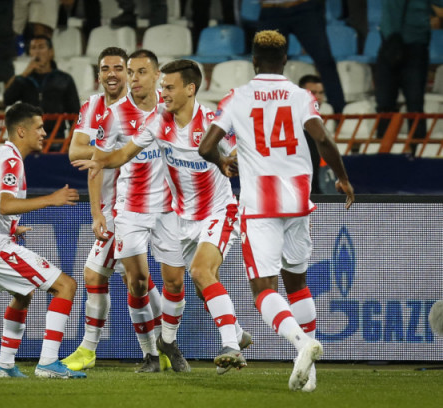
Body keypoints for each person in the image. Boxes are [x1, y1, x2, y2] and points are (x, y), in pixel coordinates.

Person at [72, 59, 254, 374]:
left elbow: (241, 150)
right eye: (163, 87)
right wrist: (100, 161)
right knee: (187, 281)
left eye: (169, 87)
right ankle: (206, 337)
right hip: (180, 216)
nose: (163, 93)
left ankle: (230, 345)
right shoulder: (159, 122)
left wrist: (232, 161)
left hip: (217, 209)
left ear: (190, 89)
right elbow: (123, 154)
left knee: (200, 272)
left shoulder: (212, 121)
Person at [198, 30, 355, 391]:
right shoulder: (301, 96)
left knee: (263, 290)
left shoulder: (236, 98)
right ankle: (310, 375)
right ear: (285, 60)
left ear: (253, 60)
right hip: (298, 201)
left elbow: (206, 147)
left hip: (260, 205)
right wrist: (343, 178)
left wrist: (222, 162)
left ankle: (301, 344)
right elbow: (322, 138)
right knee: (297, 283)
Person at [82, 49, 187, 373]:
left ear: (157, 75)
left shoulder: (172, 109)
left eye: (141, 72)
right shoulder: (114, 115)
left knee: (175, 283)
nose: (134, 78)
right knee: (137, 282)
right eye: (131, 72)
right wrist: (97, 213)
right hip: (130, 209)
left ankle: (169, 342)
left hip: (169, 209)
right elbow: (97, 163)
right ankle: (150, 355)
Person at [62, 47, 166, 371]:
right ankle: (163, 347)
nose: (113, 74)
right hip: (110, 206)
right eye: (106, 68)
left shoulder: (148, 107)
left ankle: (90, 350)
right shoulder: (95, 107)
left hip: (132, 206)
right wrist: (96, 211)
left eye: (120, 68)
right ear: (98, 74)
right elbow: (76, 153)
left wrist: (116, 151)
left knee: (100, 275)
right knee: (136, 280)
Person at [0, 102, 86, 379]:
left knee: (23, 294)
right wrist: (51, 199)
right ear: (21, 131)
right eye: (39, 127)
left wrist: (10, 228)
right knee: (66, 286)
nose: (44, 133)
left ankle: (5, 366)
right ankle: (48, 363)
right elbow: (5, 204)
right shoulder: (12, 161)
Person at [375, 0, 443, 155]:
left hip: (415, 46)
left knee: (415, 103)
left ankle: (417, 153)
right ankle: (382, 153)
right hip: (389, 44)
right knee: (384, 103)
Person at [257, 0, 346, 114]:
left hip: (304, 8)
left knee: (325, 61)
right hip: (270, 10)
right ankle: (267, 114)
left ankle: (338, 113)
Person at [4, 35, 80, 139]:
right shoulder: (24, 80)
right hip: (29, 137)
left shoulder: (64, 79)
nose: (37, 52)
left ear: (51, 52)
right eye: (33, 48)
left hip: (56, 136)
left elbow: (75, 113)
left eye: (41, 47)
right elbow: (7, 99)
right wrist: (24, 74)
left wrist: (73, 140)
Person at [298, 74, 332, 194]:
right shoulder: (295, 126)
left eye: (321, 93)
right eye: (313, 93)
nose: (318, 97)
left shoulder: (318, 125)